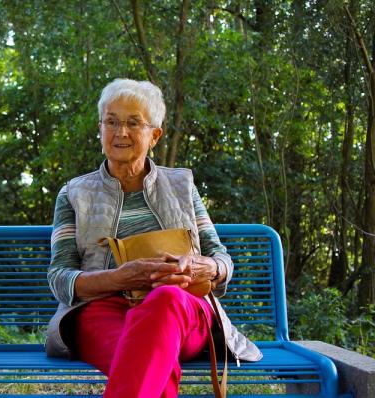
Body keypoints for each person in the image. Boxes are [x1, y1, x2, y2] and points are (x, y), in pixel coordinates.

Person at [45, 78, 262, 397]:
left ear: (155, 135)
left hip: (182, 309)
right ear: (100, 128)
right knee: (150, 363)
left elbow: (222, 260)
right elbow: (59, 277)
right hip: (103, 309)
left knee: (165, 300)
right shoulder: (74, 193)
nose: (120, 132)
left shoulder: (182, 186)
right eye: (111, 121)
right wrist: (119, 278)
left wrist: (204, 268)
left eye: (133, 123)